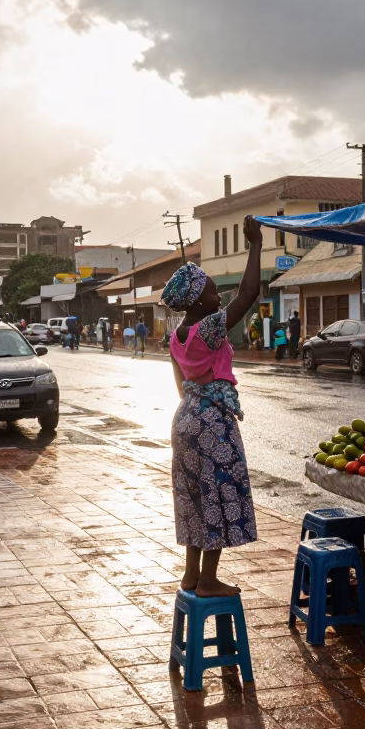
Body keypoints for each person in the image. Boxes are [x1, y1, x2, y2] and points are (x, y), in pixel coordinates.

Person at [163, 215, 261, 597]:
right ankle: (207, 580)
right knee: (218, 492)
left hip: (185, 418)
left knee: (193, 496)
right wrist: (254, 244)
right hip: (211, 422)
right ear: (198, 299)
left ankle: (190, 573)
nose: (219, 297)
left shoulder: (177, 336)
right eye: (215, 292)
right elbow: (249, 293)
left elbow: (180, 387)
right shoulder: (208, 328)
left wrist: (197, 408)